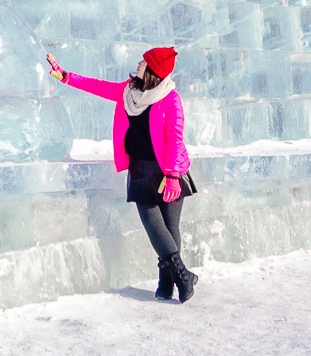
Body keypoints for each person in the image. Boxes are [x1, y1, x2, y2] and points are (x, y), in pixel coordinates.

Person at [48, 46, 200, 303]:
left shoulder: (170, 98)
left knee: (170, 226)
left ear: (153, 69)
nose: (138, 63)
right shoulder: (129, 91)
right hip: (140, 169)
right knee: (153, 225)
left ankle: (167, 283)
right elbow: (97, 86)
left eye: (144, 61)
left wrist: (173, 175)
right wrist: (65, 76)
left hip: (168, 170)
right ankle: (183, 276)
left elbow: (175, 137)